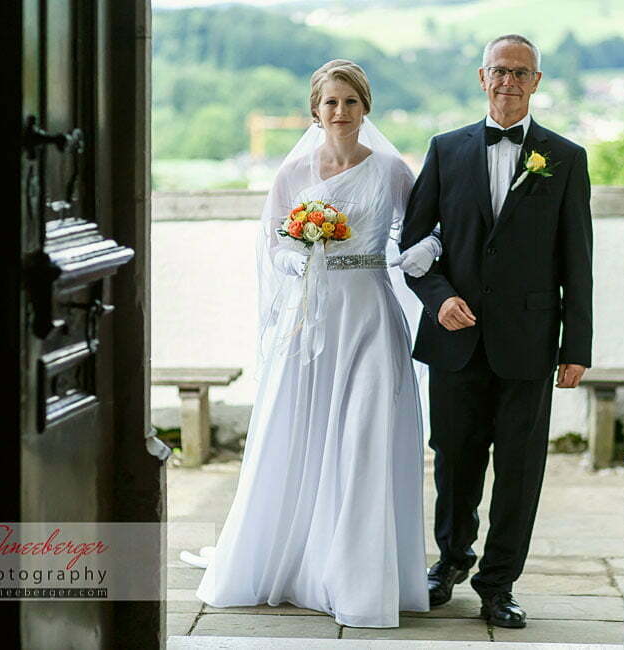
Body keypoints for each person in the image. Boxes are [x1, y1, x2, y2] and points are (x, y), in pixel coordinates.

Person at [195, 59, 441, 628]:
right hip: (311, 320)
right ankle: (299, 559)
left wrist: (424, 253)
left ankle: (359, 577)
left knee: (363, 439)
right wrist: (295, 252)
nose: (340, 112)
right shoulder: (295, 172)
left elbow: (419, 232)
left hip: (371, 316)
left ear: (365, 107)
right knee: (301, 434)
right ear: (315, 109)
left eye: (351, 101)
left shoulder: (390, 171)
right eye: (331, 102)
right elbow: (272, 243)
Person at [400, 34, 594, 629]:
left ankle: (498, 582)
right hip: (455, 341)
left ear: (536, 82)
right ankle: (450, 561)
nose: (508, 81)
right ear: (481, 78)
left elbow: (576, 258)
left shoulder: (565, 156)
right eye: (499, 71)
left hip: (530, 343)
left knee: (519, 467)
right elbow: (412, 246)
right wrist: (439, 300)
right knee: (454, 460)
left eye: (521, 72)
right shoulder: (445, 149)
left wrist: (576, 347)